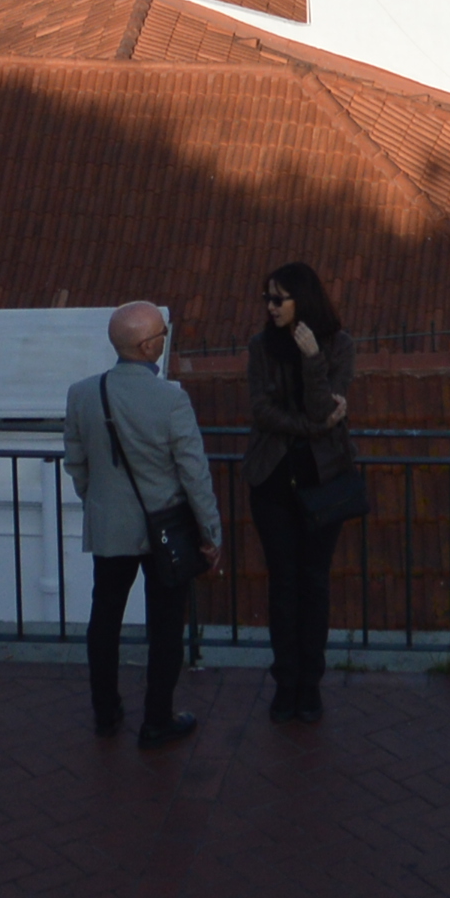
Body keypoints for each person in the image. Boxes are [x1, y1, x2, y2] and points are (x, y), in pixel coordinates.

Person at [64, 299, 220, 749]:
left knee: (105, 619)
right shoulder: (171, 399)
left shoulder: (82, 393)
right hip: (165, 529)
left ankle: (106, 712)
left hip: (110, 526)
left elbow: (76, 461)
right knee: (166, 624)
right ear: (150, 346)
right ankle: (157, 718)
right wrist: (211, 533)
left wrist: (97, 501)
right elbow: (194, 472)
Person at [243, 260, 359, 724]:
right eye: (267, 298)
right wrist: (312, 426)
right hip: (272, 478)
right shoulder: (260, 347)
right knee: (283, 580)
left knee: (313, 579)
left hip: (322, 479)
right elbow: (262, 411)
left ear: (301, 300)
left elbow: (323, 401)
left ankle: (309, 684)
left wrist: (312, 359)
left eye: (279, 299)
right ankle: (285, 681)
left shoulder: (338, 345)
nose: (270, 308)